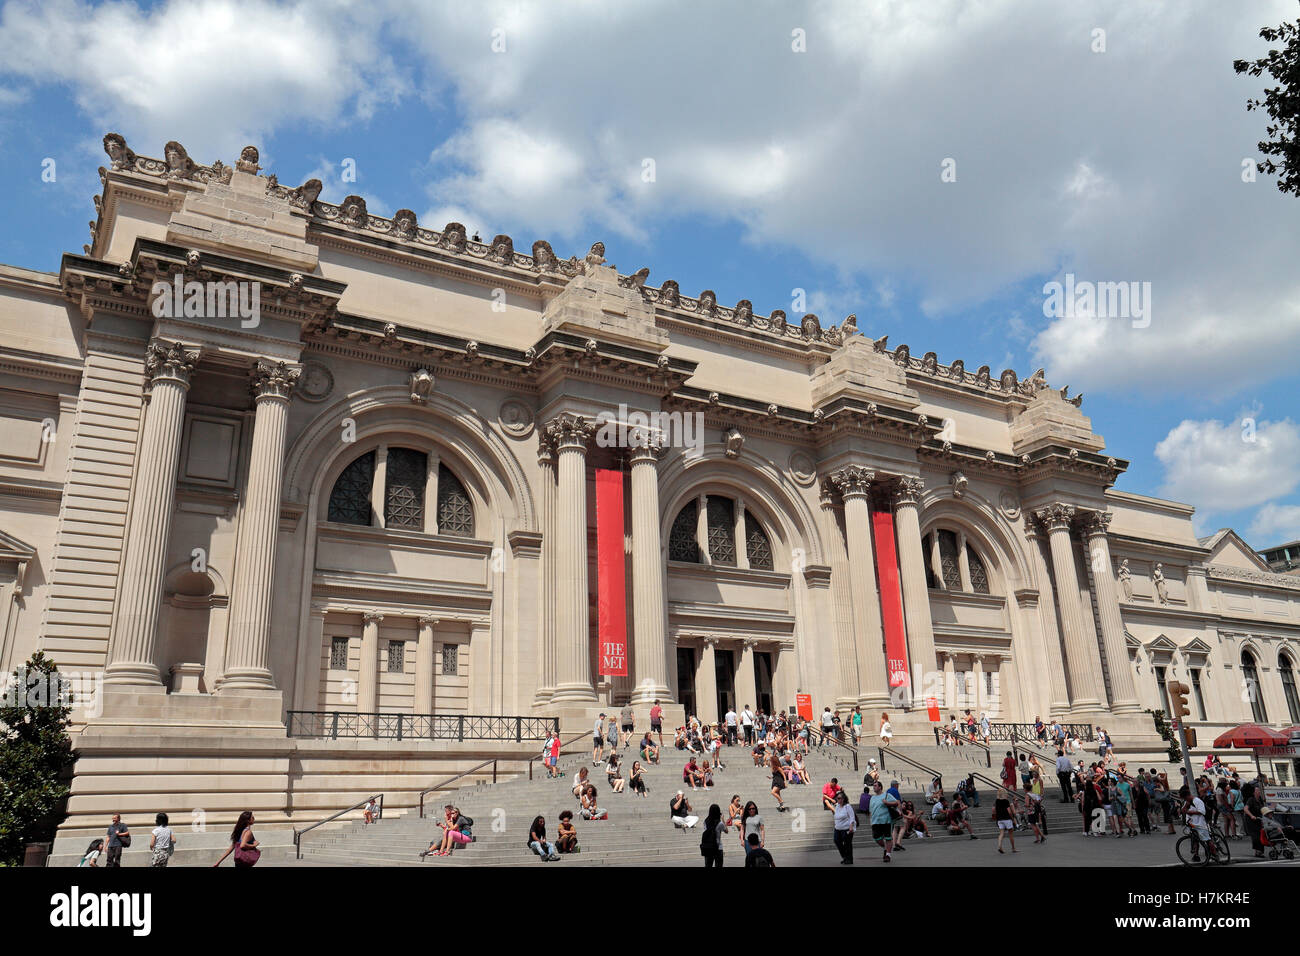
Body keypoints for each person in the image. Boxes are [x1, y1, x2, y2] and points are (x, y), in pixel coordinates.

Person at [868, 781, 896, 862]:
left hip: (886, 820)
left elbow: (896, 803)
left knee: (888, 838)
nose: (874, 787)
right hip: (875, 821)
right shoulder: (872, 798)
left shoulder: (887, 795)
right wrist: (871, 821)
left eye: (875, 786)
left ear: (880, 787)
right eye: (873, 786)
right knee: (877, 838)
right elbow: (871, 810)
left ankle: (888, 855)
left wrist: (887, 803)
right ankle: (885, 848)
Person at [833, 789, 856, 864]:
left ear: (843, 799)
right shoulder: (837, 806)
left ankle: (849, 859)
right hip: (837, 828)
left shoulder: (847, 806)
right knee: (837, 841)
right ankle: (845, 856)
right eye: (837, 798)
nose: (837, 799)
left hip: (846, 829)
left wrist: (851, 826)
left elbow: (852, 817)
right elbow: (836, 816)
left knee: (847, 844)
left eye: (839, 798)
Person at [1243, 782, 1266, 858]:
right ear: (1254, 793)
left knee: (1261, 834)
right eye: (1257, 790)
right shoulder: (1251, 799)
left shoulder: (1260, 800)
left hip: (1259, 819)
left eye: (1259, 790)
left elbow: (1263, 809)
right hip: (1251, 820)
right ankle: (1258, 851)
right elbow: (1245, 809)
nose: (1259, 791)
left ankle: (1260, 851)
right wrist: (1251, 816)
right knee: (1256, 836)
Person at [701, 803, 727, 867]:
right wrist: (723, 819)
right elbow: (726, 831)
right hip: (718, 847)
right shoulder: (720, 823)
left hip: (708, 846)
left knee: (708, 865)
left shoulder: (706, 821)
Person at [994, 788, 1017, 853]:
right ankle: (1013, 848)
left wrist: (996, 818)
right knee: (1011, 834)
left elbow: (995, 810)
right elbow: (1009, 811)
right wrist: (1013, 819)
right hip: (1007, 818)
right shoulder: (1006, 801)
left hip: (1000, 819)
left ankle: (999, 846)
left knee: (1001, 833)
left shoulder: (997, 801)